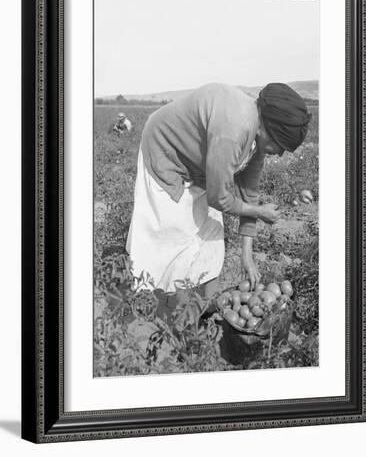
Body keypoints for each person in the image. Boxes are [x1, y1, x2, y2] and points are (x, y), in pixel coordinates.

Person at [126, 82, 311, 304]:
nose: (280, 154)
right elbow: (218, 198)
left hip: (198, 166)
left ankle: (205, 305)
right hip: (165, 152)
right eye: (280, 146)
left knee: (210, 235)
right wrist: (259, 212)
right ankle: (157, 306)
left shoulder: (256, 135)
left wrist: (247, 255)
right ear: (268, 128)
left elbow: (248, 194)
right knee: (171, 237)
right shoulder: (234, 130)